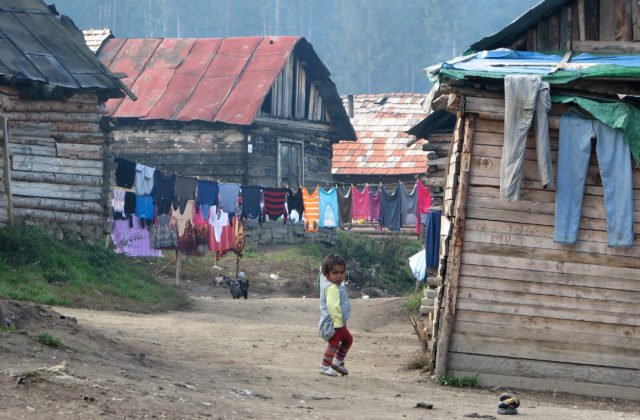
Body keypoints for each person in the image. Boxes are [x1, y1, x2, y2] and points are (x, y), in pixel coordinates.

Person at [318, 253, 353, 377]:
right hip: (334, 323)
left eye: (342, 272)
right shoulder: (332, 288)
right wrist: (338, 324)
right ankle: (325, 366)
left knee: (348, 340)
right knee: (334, 343)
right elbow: (333, 306)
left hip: (338, 322)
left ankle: (337, 362)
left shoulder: (334, 286)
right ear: (327, 274)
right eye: (335, 273)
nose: (339, 276)